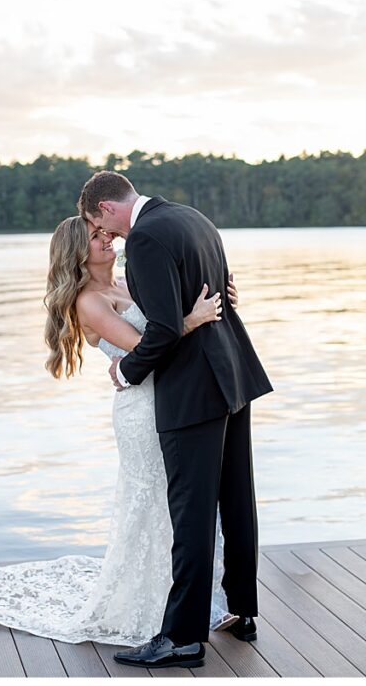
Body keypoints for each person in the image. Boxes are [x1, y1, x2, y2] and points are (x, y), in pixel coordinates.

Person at [0, 216, 237, 645]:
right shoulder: (88, 301)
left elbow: (171, 311)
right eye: (96, 237)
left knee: (184, 507)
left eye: (105, 233)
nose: (108, 239)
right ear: (78, 252)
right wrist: (194, 320)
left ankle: (193, 604)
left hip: (175, 397)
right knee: (155, 505)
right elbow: (148, 345)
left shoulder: (130, 280)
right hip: (141, 412)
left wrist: (222, 299)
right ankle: (150, 608)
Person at [80, 170, 273, 669]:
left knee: (190, 514)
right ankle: (242, 611)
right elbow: (219, 296)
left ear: (105, 208)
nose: (105, 237)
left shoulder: (144, 237)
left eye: (97, 225)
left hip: (191, 391)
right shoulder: (193, 218)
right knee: (235, 500)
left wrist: (126, 373)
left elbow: (164, 329)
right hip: (233, 375)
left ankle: (184, 638)